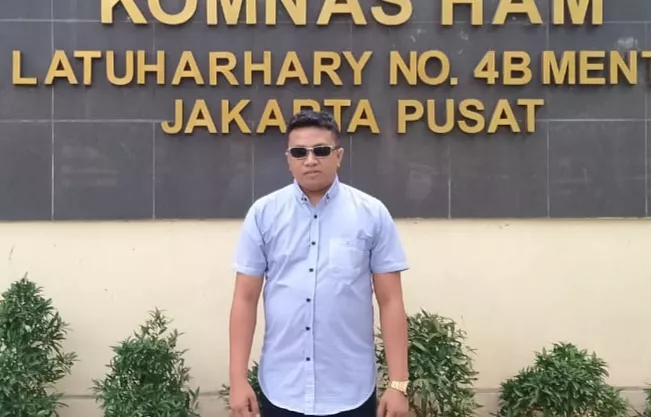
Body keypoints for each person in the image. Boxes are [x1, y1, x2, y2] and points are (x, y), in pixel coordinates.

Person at [228, 110, 410, 417]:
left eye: (321, 150)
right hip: (282, 389)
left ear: (338, 156)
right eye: (300, 152)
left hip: (350, 391)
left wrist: (398, 385)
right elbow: (244, 299)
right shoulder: (263, 214)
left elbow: (391, 301)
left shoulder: (371, 214)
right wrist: (237, 379)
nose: (310, 160)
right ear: (289, 159)